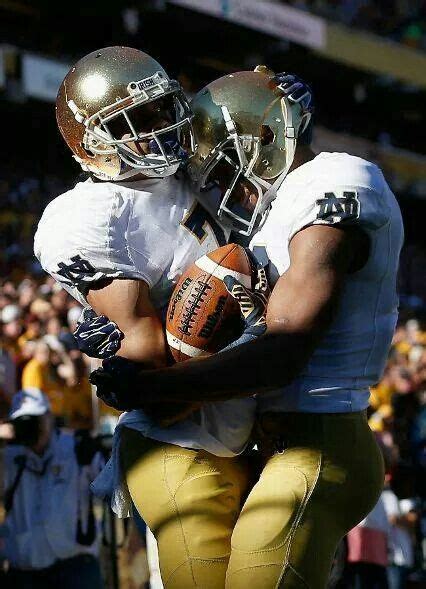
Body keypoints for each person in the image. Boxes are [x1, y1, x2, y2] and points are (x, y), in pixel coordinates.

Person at [89, 68, 404, 588]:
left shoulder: (339, 179)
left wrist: (153, 387)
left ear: (263, 139)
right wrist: (126, 334)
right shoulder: (278, 210)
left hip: (322, 440)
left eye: (228, 161)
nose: (227, 183)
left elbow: (284, 351)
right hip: (263, 446)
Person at [35, 46, 312, 588]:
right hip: (183, 440)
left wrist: (276, 115)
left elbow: (271, 171)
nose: (161, 129)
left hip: (250, 427)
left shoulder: (190, 168)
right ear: (93, 143)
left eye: (163, 110)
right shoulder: (87, 215)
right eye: (136, 122)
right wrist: (226, 328)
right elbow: (153, 374)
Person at [0, 388, 104, 589]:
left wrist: (95, 455)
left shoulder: (76, 447)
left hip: (76, 565)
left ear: (49, 416)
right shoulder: (8, 459)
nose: (30, 427)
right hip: (26, 568)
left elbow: (110, 487)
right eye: (23, 422)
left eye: (35, 419)